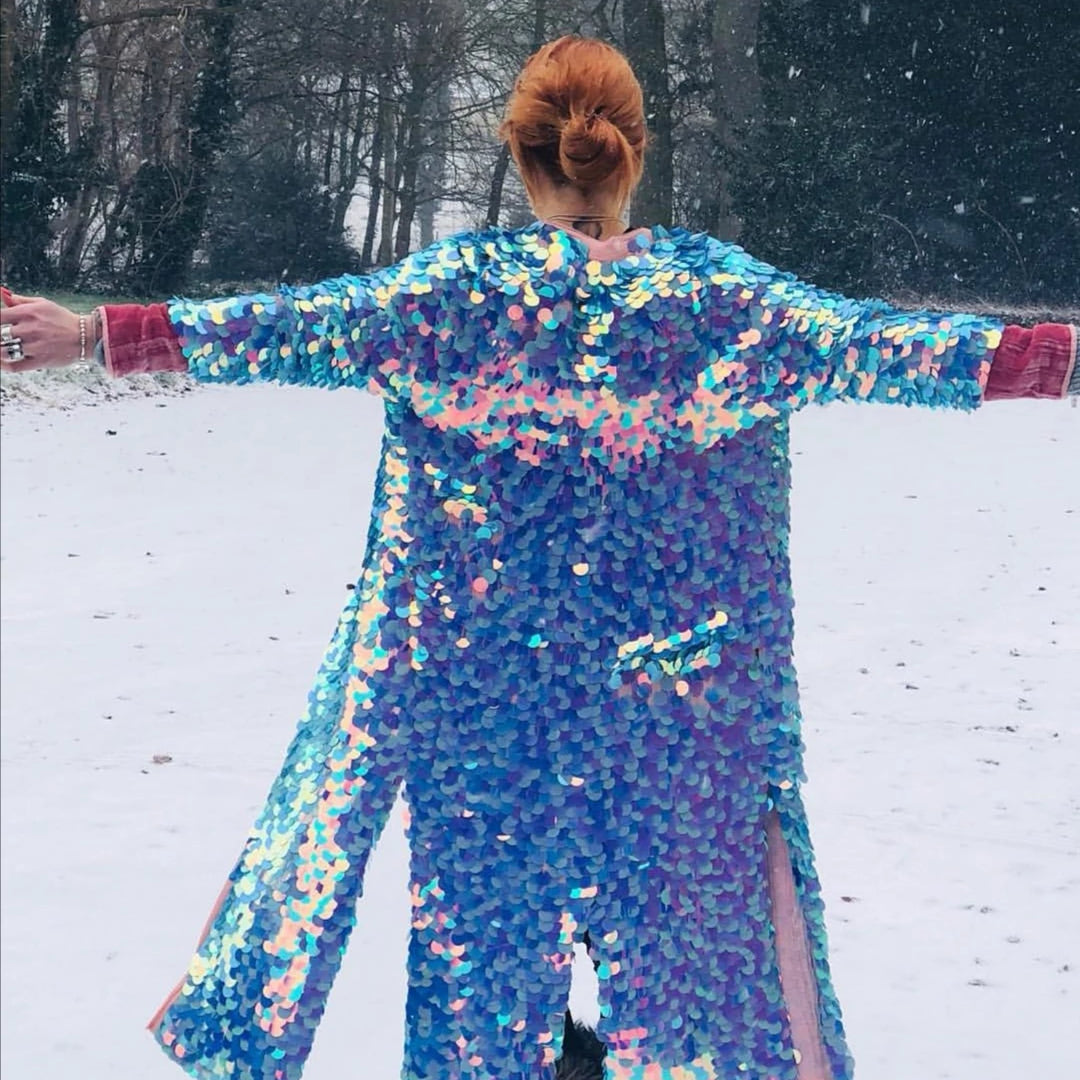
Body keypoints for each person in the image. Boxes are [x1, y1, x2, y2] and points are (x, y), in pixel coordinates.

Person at [1, 33, 1076, 1080]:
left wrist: (95, 336)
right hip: (677, 709)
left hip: (482, 703)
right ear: (635, 149)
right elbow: (902, 348)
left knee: (483, 984)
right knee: (691, 984)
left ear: (520, 159)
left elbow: (279, 327)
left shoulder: (448, 300)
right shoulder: (727, 307)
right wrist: (1061, 362)